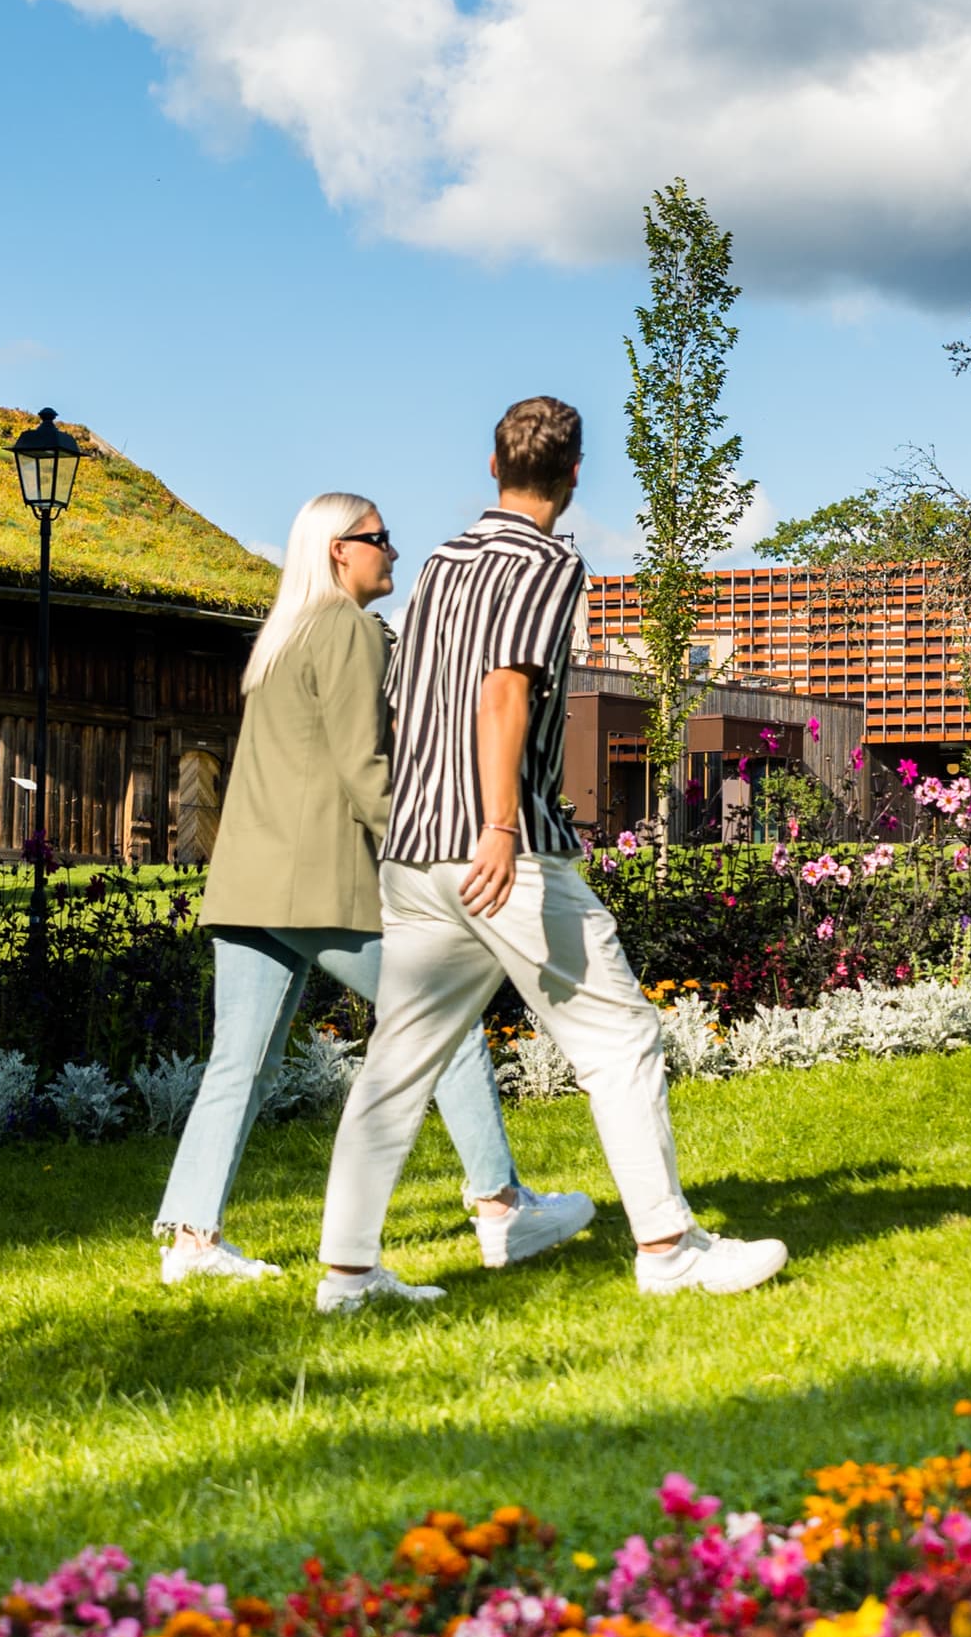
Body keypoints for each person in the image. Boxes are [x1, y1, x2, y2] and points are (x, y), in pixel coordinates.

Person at [314, 399, 787, 1311]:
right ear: (575, 476)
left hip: (415, 851)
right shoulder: (548, 561)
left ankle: (348, 1273)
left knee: (396, 1062)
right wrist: (497, 825)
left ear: (492, 465)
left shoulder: (444, 561)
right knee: (620, 1037)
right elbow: (504, 693)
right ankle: (667, 1247)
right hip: (503, 850)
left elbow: (409, 692)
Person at [151, 491, 593, 1285]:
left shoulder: (283, 637)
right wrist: (437, 846)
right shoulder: (349, 631)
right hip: (315, 882)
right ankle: (500, 1204)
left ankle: (191, 1240)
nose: (393, 549)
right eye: (378, 538)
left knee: (237, 1065)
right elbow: (367, 769)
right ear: (337, 550)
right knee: (442, 1022)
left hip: (249, 882)